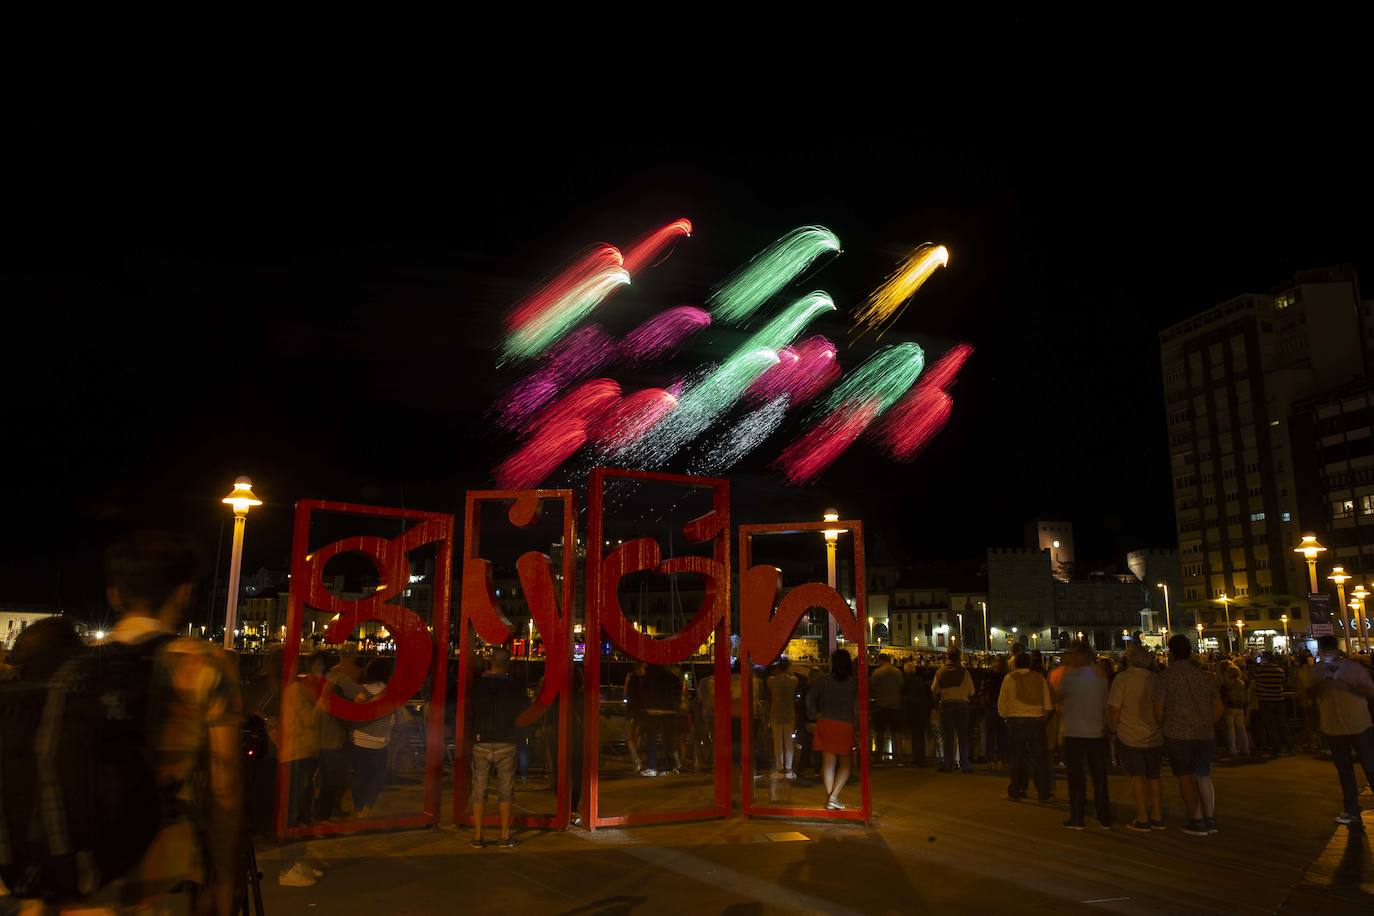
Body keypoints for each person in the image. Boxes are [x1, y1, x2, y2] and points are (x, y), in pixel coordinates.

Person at [83, 532, 242, 914]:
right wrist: (223, 877)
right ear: (184, 593)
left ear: (114, 596)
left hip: (73, 871)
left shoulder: (77, 665)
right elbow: (225, 787)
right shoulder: (203, 663)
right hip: (158, 877)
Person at [1156, 634, 1223, 836]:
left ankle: (1196, 819)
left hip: (1178, 733)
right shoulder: (1204, 676)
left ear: (1171, 653)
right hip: (1204, 734)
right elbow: (1218, 707)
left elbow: (1158, 709)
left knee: (1184, 777)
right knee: (1203, 775)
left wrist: (1162, 725)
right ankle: (1210, 819)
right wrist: (1207, 723)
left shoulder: (1166, 677)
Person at [1306, 635, 1374, 827]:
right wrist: (1321, 684)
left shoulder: (1353, 668)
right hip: (1333, 725)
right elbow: (1309, 693)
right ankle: (1352, 810)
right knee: (1344, 770)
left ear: (1335, 651)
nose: (1325, 655)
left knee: (1370, 766)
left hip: (1358, 723)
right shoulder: (1317, 670)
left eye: (1327, 651)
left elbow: (1370, 691)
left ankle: (1352, 811)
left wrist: (1348, 684)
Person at [471, 647, 527, 847]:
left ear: (490, 663)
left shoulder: (478, 685)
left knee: (479, 788)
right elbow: (524, 711)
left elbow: (471, 709)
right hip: (506, 740)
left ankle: (478, 835)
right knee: (506, 789)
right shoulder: (515, 687)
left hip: (482, 740)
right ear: (508, 664)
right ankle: (504, 835)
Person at [1109, 646, 1165, 831]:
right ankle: (1157, 816)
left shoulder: (1123, 679)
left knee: (1137, 777)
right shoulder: (1155, 679)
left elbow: (1115, 709)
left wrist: (1112, 730)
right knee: (1154, 776)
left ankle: (1143, 818)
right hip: (1154, 735)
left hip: (1130, 735)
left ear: (1130, 659)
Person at [1057, 643, 1112, 830]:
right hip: (1096, 731)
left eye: (1073, 655)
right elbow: (1106, 705)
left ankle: (1077, 817)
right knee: (1099, 777)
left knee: (1076, 778)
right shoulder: (1101, 677)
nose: (1070, 658)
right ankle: (1104, 817)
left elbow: (1058, 697)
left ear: (1080, 657)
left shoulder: (1070, 677)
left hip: (1074, 732)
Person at [315, 652, 365, 822]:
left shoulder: (313, 681)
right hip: (334, 737)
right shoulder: (340, 679)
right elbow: (361, 695)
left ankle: (321, 812)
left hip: (313, 737)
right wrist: (352, 709)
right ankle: (326, 813)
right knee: (335, 778)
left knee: (323, 778)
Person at [807, 649, 859, 810]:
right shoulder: (854, 682)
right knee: (845, 764)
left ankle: (831, 798)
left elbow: (810, 697)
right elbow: (857, 706)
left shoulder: (824, 680)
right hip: (845, 724)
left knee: (828, 764)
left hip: (826, 722)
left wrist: (813, 715)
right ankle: (834, 797)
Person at [998, 651, 1054, 802]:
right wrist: (1042, 720)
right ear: (1029, 663)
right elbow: (1048, 705)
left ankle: (1016, 789)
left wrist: (1005, 717)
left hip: (1016, 721)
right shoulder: (1039, 678)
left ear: (1015, 664)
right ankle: (1043, 793)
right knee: (1039, 759)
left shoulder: (1009, 678)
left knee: (1017, 757)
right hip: (1036, 720)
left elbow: (1002, 703)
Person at [350, 658, 399, 820]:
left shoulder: (361, 690)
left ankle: (358, 808)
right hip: (380, 740)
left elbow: (354, 713)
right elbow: (395, 717)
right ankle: (366, 807)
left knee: (359, 776)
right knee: (377, 777)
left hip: (360, 738)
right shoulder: (389, 692)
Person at [932, 647, 975, 773]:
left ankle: (948, 764)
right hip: (962, 705)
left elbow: (934, 690)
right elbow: (972, 691)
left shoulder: (940, 672)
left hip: (946, 705)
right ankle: (965, 765)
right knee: (963, 736)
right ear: (959, 657)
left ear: (947, 657)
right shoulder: (964, 672)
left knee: (948, 736)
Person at [640, 664, 681, 777]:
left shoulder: (649, 676)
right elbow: (678, 695)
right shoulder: (674, 677)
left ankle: (652, 767)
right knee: (668, 741)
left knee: (651, 740)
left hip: (653, 710)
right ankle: (668, 767)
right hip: (669, 711)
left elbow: (644, 693)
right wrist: (675, 708)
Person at [1251, 652, 1292, 757]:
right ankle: (1289, 745)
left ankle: (1276, 747)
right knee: (1283, 723)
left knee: (1271, 725)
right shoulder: (1280, 671)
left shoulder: (1260, 671)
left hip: (1265, 700)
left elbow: (1255, 682)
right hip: (1279, 700)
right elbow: (1283, 683)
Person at [869, 654, 903, 766]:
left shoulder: (877, 673)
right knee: (896, 732)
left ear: (881, 661)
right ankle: (899, 758)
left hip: (881, 704)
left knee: (880, 732)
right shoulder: (897, 672)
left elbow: (873, 687)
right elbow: (901, 686)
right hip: (895, 705)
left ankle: (879, 758)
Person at [767, 658, 798, 778]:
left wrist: (777, 672)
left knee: (778, 743)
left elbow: (771, 677)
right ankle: (789, 769)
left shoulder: (771, 681)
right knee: (789, 743)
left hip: (775, 714)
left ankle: (780, 769)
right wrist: (789, 671)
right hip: (789, 714)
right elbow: (793, 676)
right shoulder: (793, 681)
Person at [902, 662, 933, 766]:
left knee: (915, 734)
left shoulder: (905, 681)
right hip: (922, 709)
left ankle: (917, 757)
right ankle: (921, 757)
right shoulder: (920, 680)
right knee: (920, 734)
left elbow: (903, 695)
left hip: (912, 709)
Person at [1219, 664, 1250, 758]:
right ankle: (1245, 748)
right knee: (1241, 728)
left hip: (1230, 707)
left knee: (1231, 729)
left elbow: (1222, 695)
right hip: (1240, 706)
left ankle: (1233, 749)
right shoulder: (1242, 683)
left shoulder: (1227, 684)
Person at [624, 661, 647, 772]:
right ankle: (639, 756)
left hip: (632, 709)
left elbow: (625, 692)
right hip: (644, 710)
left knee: (629, 736)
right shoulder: (647, 677)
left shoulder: (631, 676)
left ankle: (636, 760)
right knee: (640, 735)